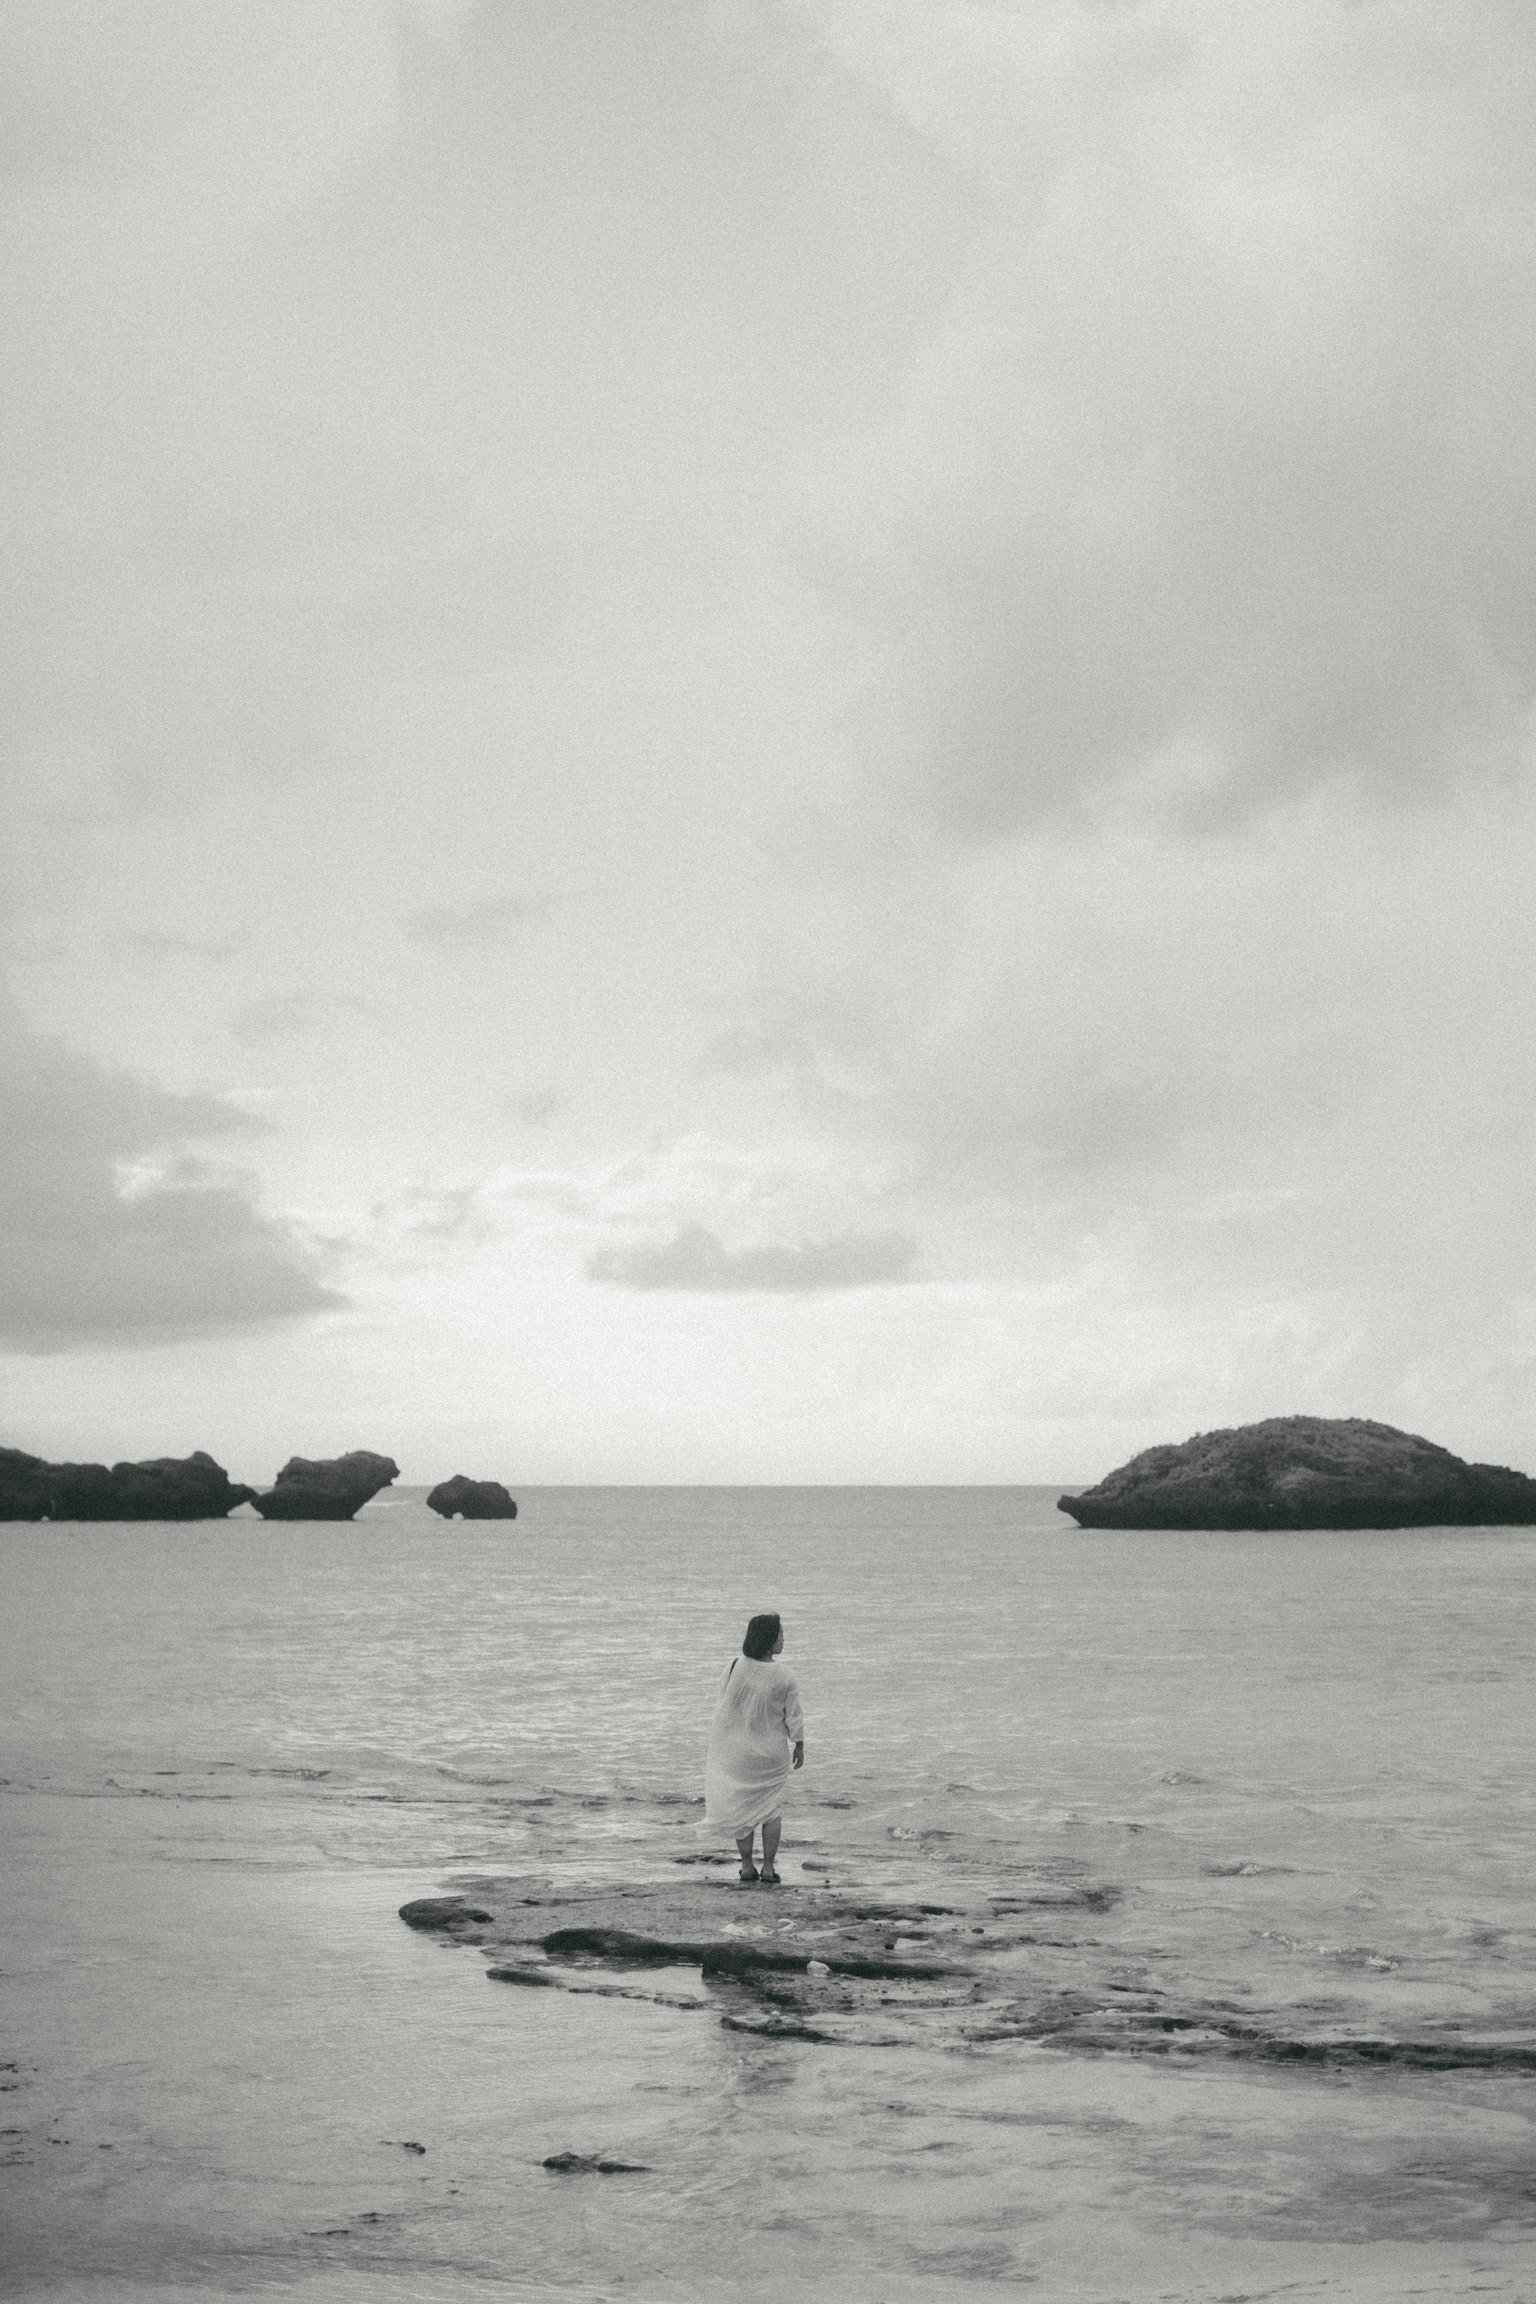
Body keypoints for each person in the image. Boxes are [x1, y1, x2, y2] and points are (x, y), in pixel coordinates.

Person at [703, 1611, 804, 1884]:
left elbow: (723, 1708)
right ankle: (769, 1869)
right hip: (771, 1752)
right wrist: (800, 1743)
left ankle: (747, 1867)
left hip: (739, 1752)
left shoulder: (734, 1666)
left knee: (742, 1807)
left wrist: (722, 1745)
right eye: (781, 1634)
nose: (784, 1638)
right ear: (770, 1640)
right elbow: (793, 1714)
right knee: (771, 1810)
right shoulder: (785, 1675)